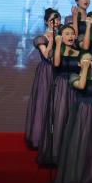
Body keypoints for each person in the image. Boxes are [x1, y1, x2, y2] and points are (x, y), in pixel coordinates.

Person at [54, 52, 92, 183]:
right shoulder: (74, 77)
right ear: (79, 63)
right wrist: (84, 69)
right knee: (81, 142)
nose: (88, 62)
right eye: (85, 60)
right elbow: (81, 86)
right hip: (81, 113)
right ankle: (78, 177)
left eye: (90, 60)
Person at [37, 24, 81, 167]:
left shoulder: (79, 52)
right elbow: (56, 64)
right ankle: (57, 154)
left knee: (73, 120)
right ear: (61, 36)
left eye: (72, 34)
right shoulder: (56, 50)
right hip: (61, 87)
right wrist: (58, 45)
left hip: (75, 87)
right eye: (67, 34)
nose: (70, 36)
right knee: (60, 119)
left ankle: (72, 156)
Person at [24, 8, 58, 151]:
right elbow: (46, 55)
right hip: (47, 72)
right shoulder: (41, 38)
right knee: (44, 102)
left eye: (58, 19)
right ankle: (41, 139)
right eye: (52, 20)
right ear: (46, 22)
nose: (56, 22)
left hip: (60, 71)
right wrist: (53, 40)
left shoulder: (63, 35)